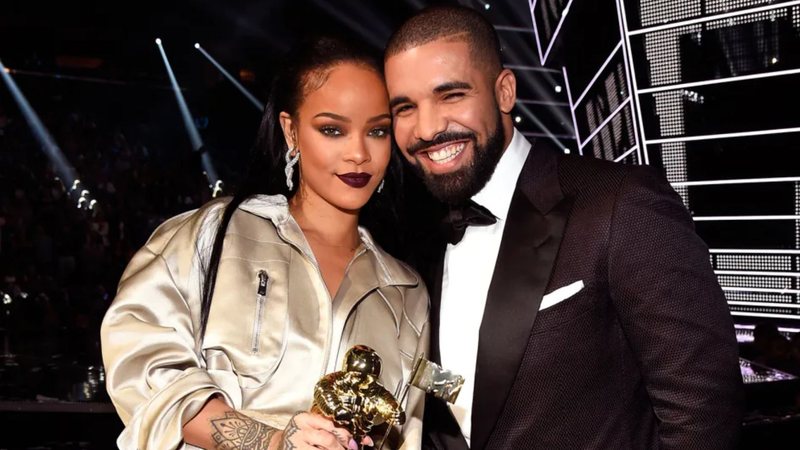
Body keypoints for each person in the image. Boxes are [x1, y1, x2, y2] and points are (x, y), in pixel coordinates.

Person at [383, 6, 743, 450]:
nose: (427, 127)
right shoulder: (421, 242)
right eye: (405, 107)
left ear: (504, 92)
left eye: (451, 95)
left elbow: (702, 413)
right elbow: (464, 393)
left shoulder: (620, 203)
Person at [101, 35, 429, 450]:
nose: (358, 154)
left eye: (377, 131)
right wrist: (272, 442)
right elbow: (145, 362)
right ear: (290, 131)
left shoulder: (406, 292)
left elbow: (407, 434)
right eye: (332, 129)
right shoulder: (212, 233)